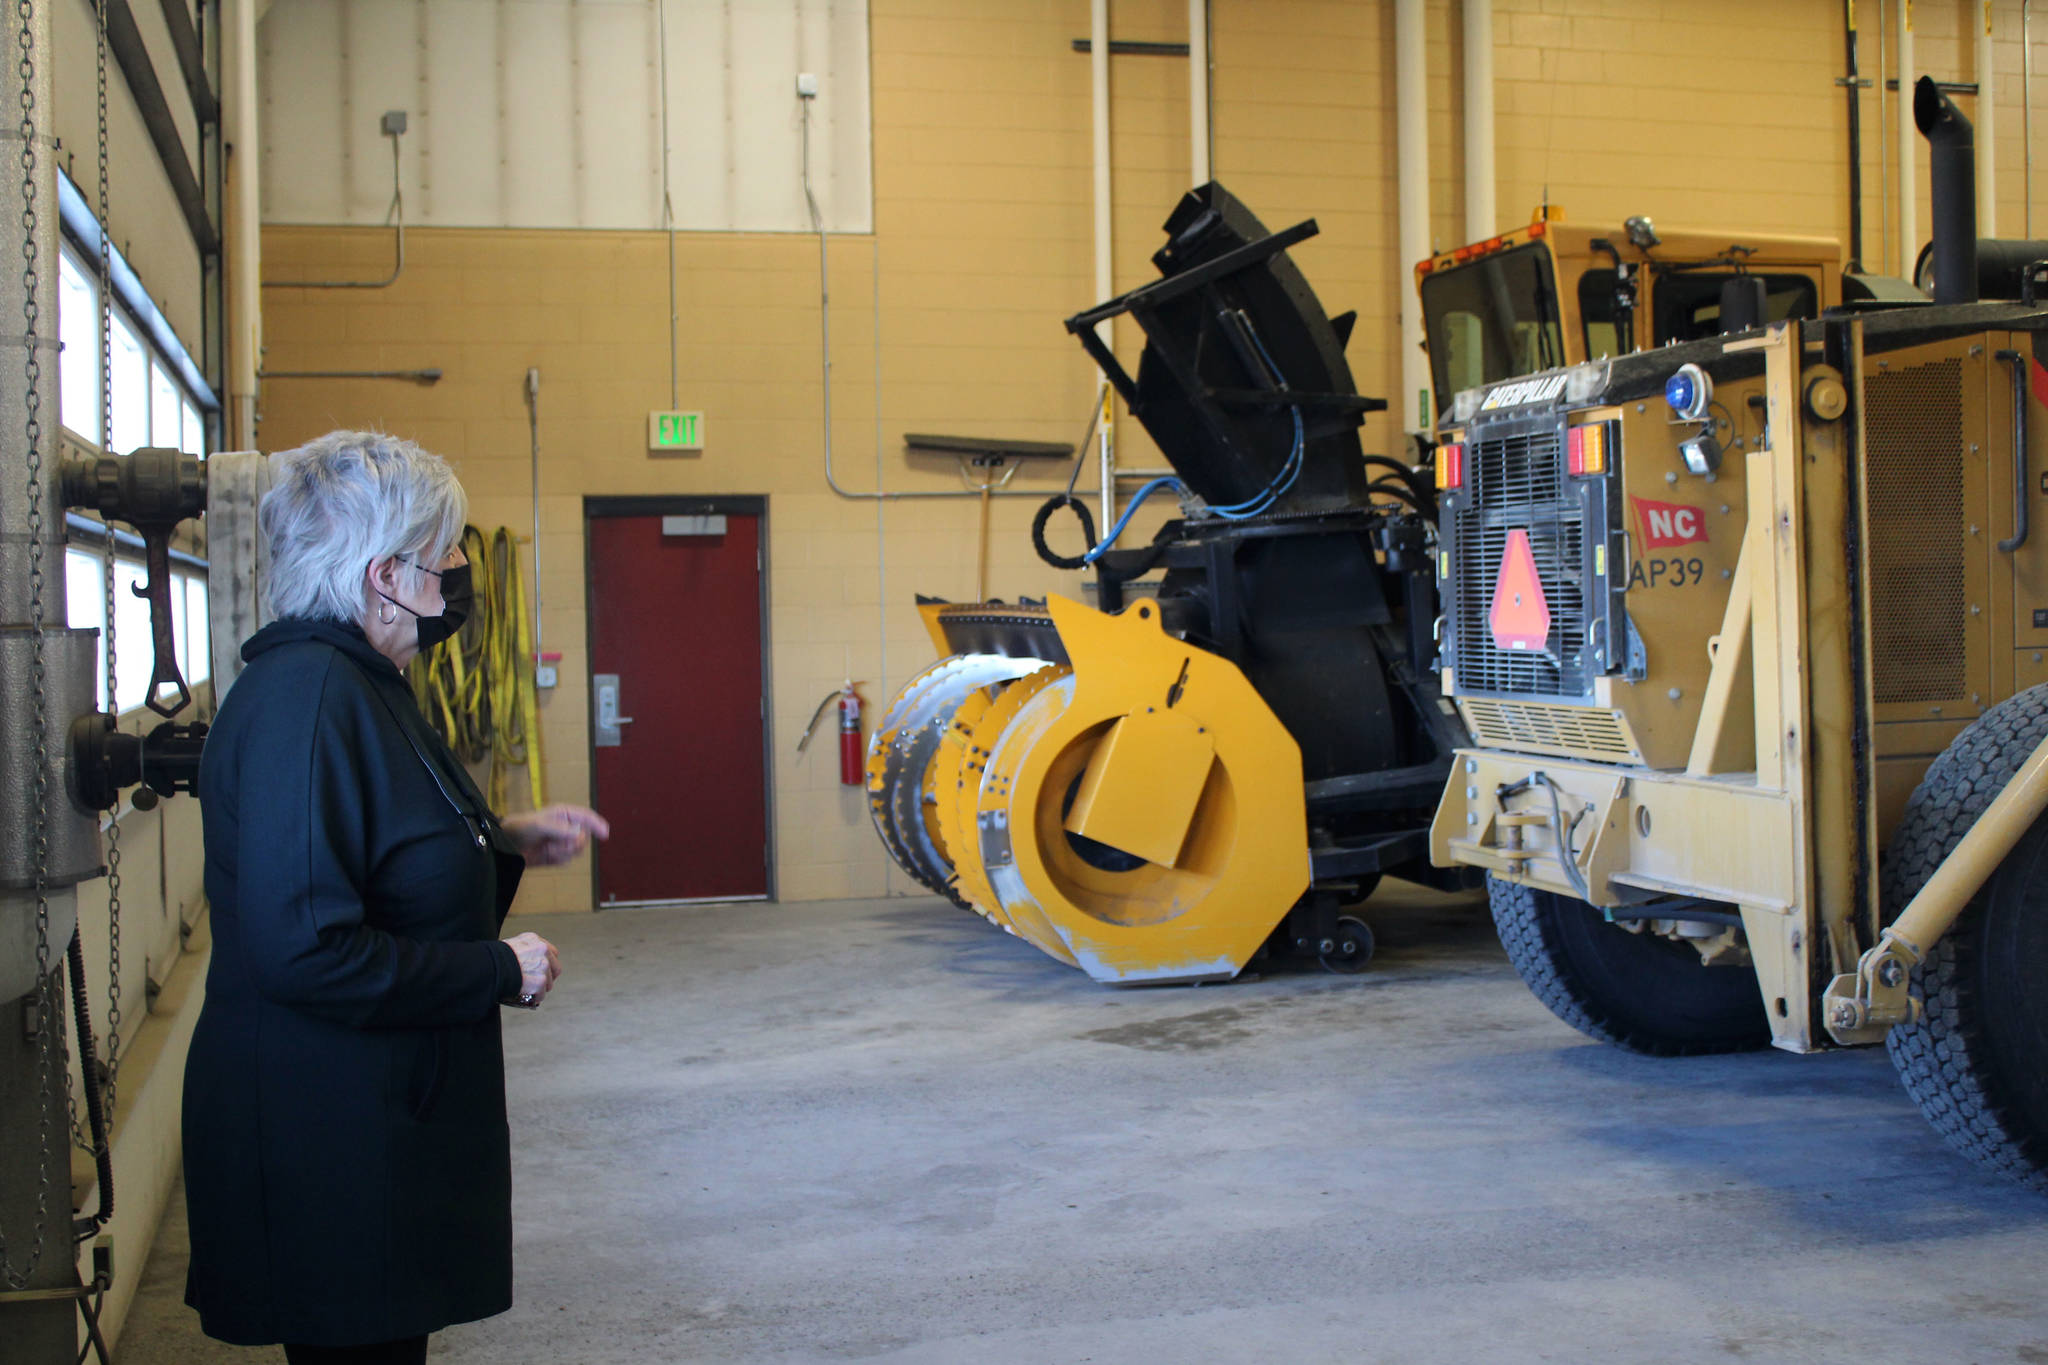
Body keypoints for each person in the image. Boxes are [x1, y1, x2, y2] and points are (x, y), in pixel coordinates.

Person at [182, 430, 609, 1364]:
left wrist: (499, 840)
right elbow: (305, 947)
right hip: (328, 1141)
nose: (459, 569)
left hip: (366, 1125)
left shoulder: (361, 683)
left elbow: (374, 843)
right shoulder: (309, 698)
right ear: (383, 576)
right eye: (443, 553)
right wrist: (497, 968)